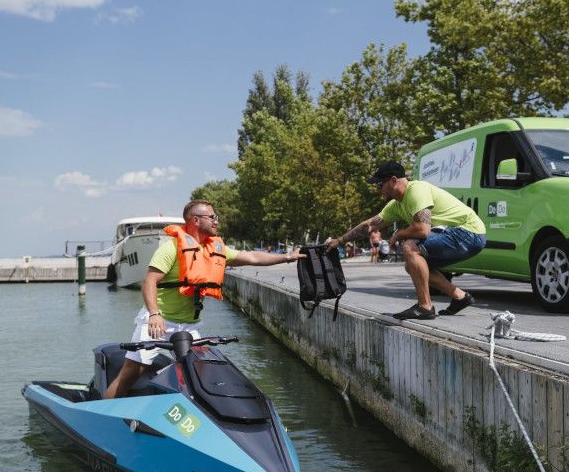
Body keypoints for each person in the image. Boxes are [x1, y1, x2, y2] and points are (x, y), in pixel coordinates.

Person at [105, 199, 302, 399]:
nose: (217, 221)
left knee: (203, 372)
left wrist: (287, 257)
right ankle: (104, 414)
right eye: (212, 217)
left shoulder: (214, 249)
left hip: (189, 326)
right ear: (196, 220)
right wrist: (154, 314)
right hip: (159, 321)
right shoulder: (170, 248)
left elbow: (252, 257)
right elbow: (149, 282)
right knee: (130, 374)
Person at [325, 161, 486, 320]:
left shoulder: (417, 190)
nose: (377, 190)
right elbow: (369, 225)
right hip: (457, 235)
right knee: (412, 265)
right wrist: (339, 241)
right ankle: (460, 296)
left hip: (469, 232)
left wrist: (399, 234)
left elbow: (423, 230)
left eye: (379, 185)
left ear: (394, 180)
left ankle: (425, 307)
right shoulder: (396, 205)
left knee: (410, 246)